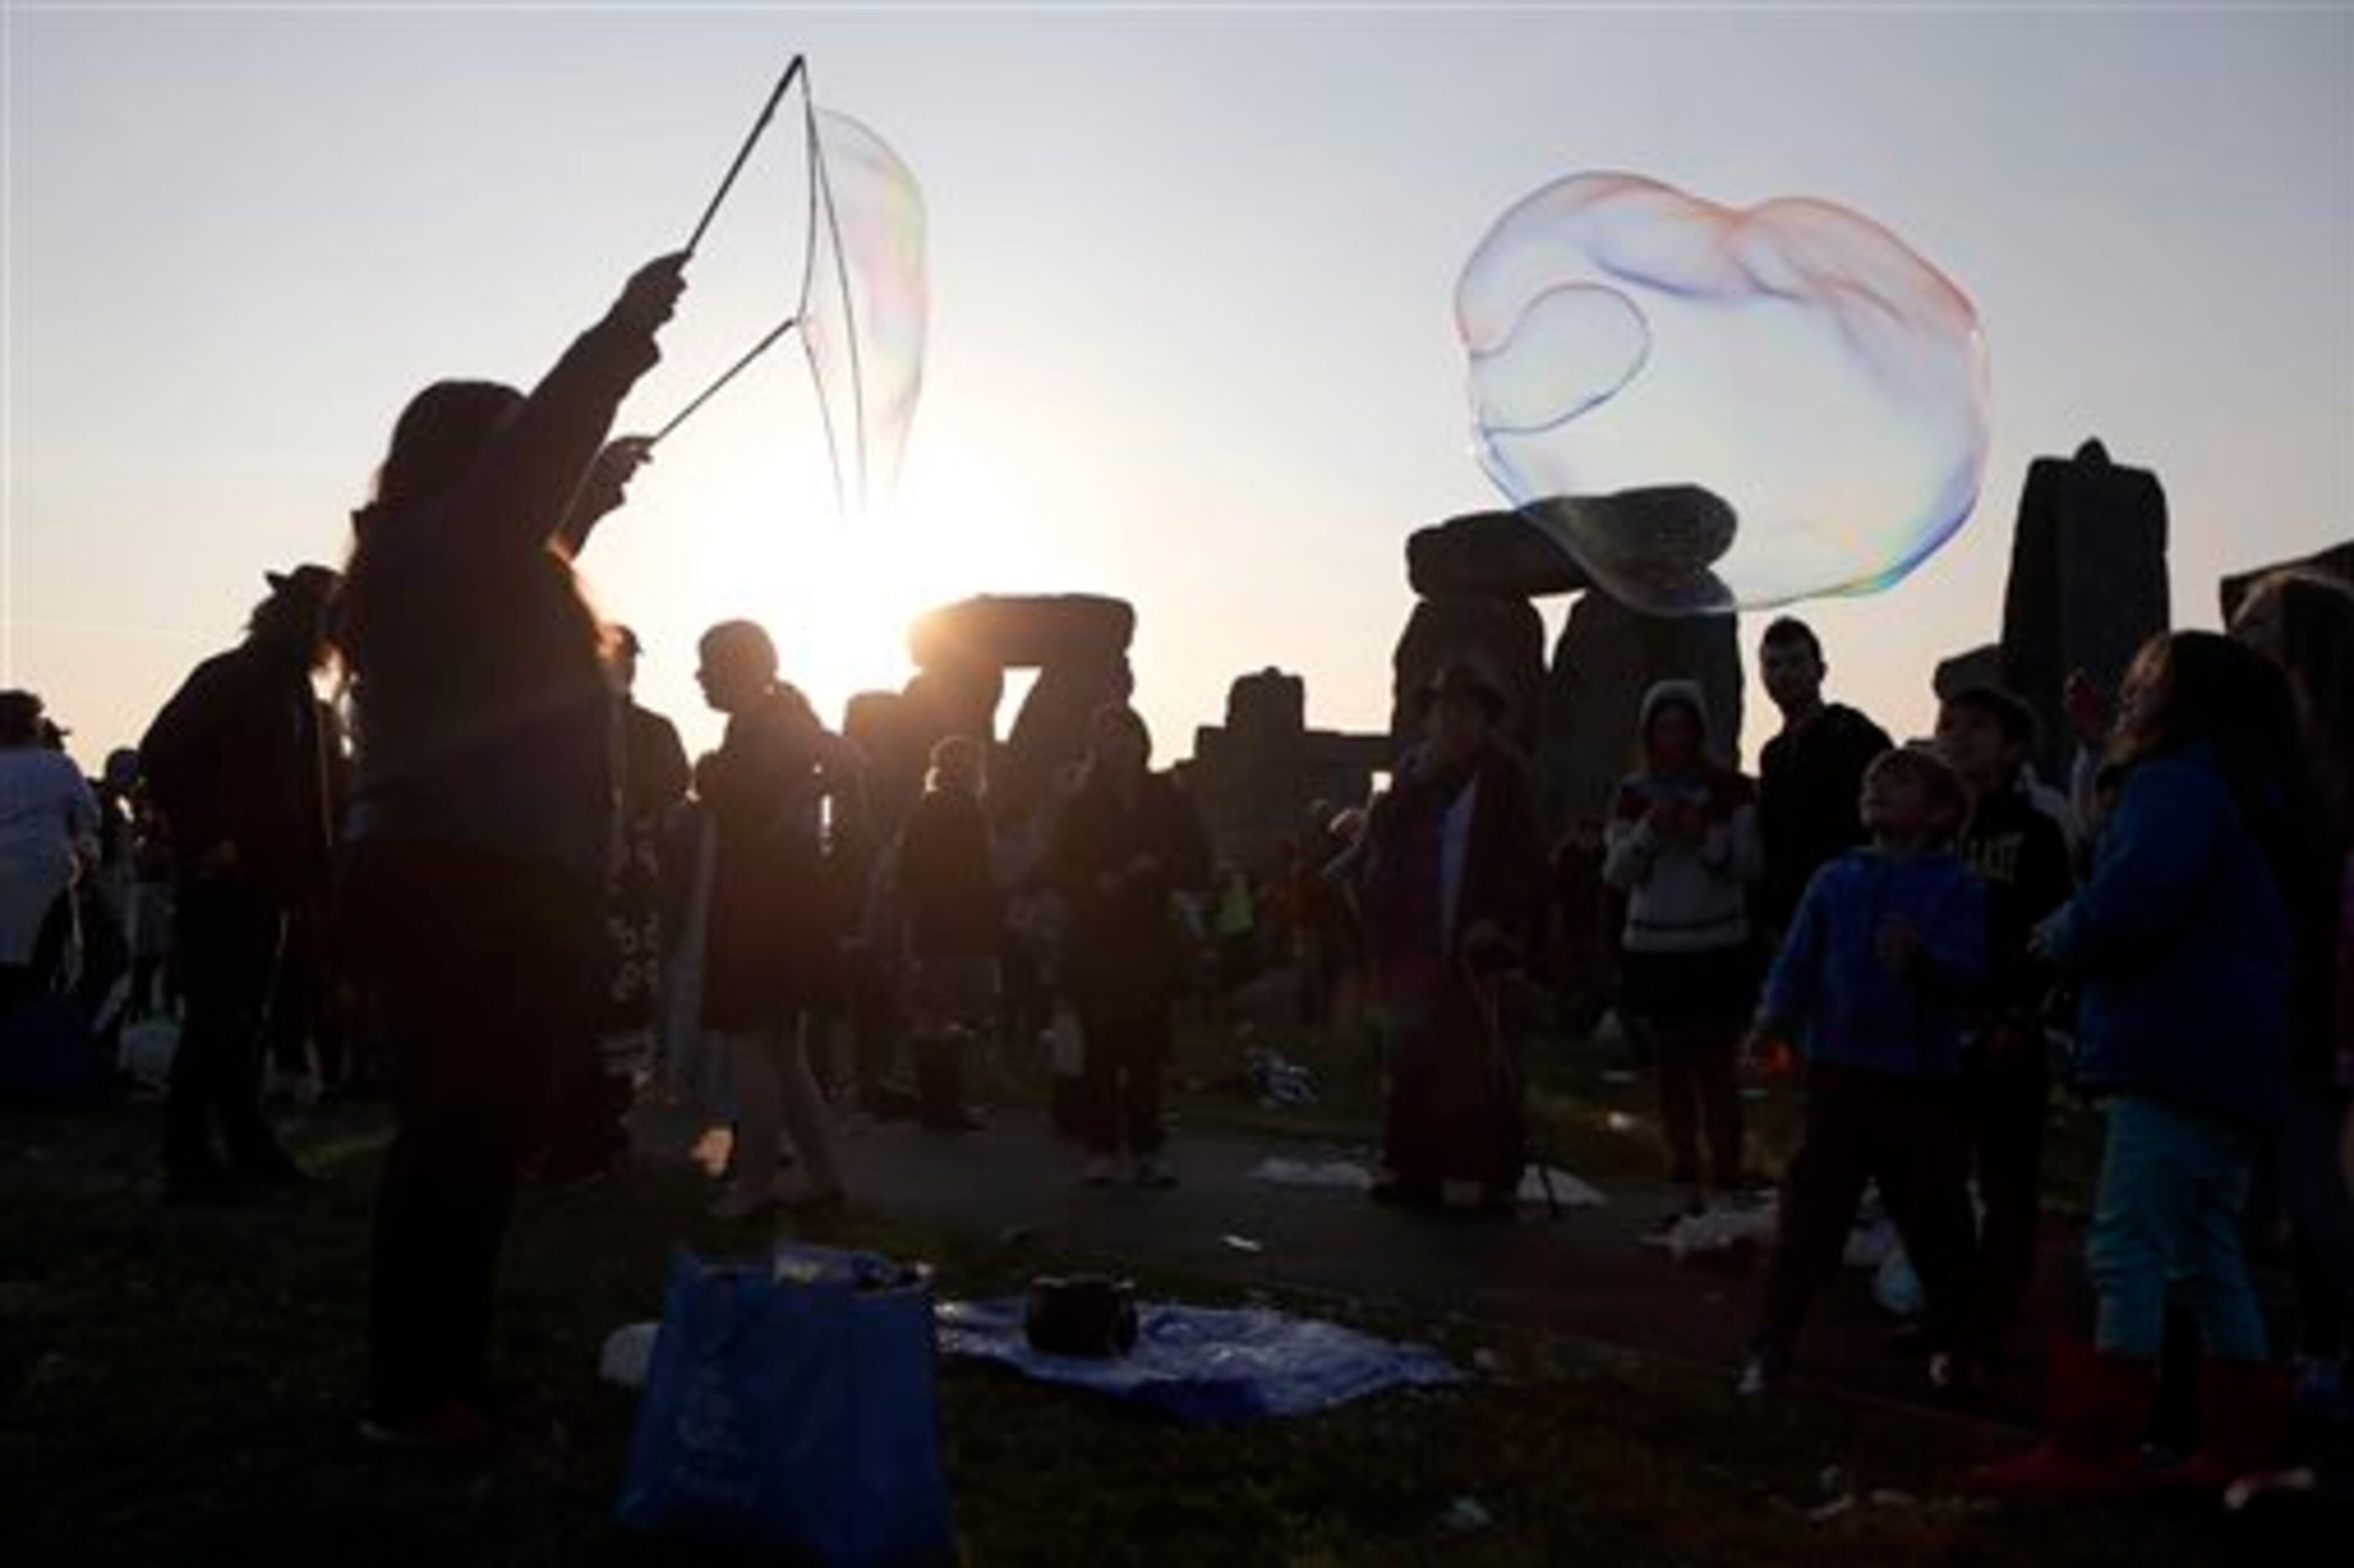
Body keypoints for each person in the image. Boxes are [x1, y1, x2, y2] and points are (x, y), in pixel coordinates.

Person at [335, 249, 687, 1453]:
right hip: (469, 880)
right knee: (459, 1139)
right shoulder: (452, 547)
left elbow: (534, 513)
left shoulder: (434, 556)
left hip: (465, 873)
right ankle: (417, 1390)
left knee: (473, 1136)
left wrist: (602, 490)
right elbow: (530, 477)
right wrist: (627, 330)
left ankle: (441, 1378)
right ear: (476, 464)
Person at [1976, 631, 2308, 1497]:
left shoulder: (2175, 786)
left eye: (2145, 684)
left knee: (2124, 1245)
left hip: (2169, 1050)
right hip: (2231, 1062)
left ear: (2190, 700)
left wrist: (2058, 935)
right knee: (2206, 1252)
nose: (2128, 694)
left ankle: (2095, 1445)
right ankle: (2239, 1449)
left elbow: (2131, 902)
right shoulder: (2253, 791)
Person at [1740, 746, 1989, 1399]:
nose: (1878, 787)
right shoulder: (1834, 880)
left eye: (1899, 781)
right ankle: (1773, 1342)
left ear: (1940, 811)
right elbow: (1797, 961)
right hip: (1839, 1074)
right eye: (1873, 780)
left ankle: (1956, 1339)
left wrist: (1925, 961)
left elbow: (1972, 974)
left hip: (1920, 1081)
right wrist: (1773, 1022)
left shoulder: (1959, 886)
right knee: (1811, 1217)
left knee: (1935, 1219)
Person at [139, 565, 341, 1198]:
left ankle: (242, 1144)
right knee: (217, 1017)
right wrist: (207, 837)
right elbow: (160, 752)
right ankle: (190, 1155)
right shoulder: (231, 676)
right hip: (226, 873)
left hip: (273, 877)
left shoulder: (296, 695)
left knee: (244, 1018)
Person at [1349, 663, 1549, 1211]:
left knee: (1476, 1060)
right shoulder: (1415, 769)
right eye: (1445, 709)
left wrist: (1498, 917)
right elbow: (1381, 833)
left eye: (1467, 710)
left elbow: (1523, 857)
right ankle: (1414, 1167)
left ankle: (1487, 1174)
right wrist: (1414, 782)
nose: (1455, 720)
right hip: (1413, 938)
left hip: (1473, 935)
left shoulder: (1505, 774)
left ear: (1486, 718)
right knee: (1413, 1057)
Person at [2230, 571, 2354, 1429]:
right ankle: (2320, 1353)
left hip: (2335, 1005)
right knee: (2306, 1195)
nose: (2244, 639)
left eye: (2263, 623)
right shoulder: (2266, 758)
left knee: (2329, 1194)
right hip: (2295, 1006)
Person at [694, 619, 854, 1220]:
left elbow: (844, 759)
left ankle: (756, 1182)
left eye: (708, 664)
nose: (700, 677)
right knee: (782, 1050)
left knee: (753, 1043)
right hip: (778, 903)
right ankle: (825, 1177)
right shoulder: (769, 719)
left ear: (741, 666)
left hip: (765, 907)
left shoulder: (773, 721)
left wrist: (799, 803)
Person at [1934, 685, 2076, 1360]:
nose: (1956, 735)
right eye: (1948, 723)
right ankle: (1950, 1306)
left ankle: (1994, 1316)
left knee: (2006, 1178)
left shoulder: (2036, 830)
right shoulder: (1930, 830)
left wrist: (2022, 1015)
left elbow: (2051, 933)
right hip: (1934, 1027)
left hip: (2004, 1025)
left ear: (2014, 745)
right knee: (1935, 1175)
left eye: (1977, 726)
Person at [1603, 680, 1764, 1224]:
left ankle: (1726, 1166)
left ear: (1700, 730)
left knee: (1716, 1065)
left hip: (1718, 942)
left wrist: (1703, 837)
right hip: (1655, 943)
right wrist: (1651, 831)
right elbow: (1616, 872)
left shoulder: (1733, 791)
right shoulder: (1633, 792)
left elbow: (1750, 865)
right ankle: (1682, 1164)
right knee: (1671, 1064)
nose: (1674, 737)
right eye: (1663, 727)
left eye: (1683, 726)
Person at [541, 625, 691, 1181]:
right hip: (580, 887)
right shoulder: (567, 729)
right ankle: (577, 1130)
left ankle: (603, 1126)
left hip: (628, 890)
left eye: (629, 658)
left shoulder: (650, 729)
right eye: (616, 657)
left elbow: (675, 794)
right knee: (581, 1009)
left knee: (617, 1009)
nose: (624, 667)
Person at [1048, 703, 1211, 1187]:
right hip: (1097, 935)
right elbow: (1060, 867)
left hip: (1147, 936)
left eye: (1123, 736)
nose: (1116, 747)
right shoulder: (1082, 803)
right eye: (1104, 738)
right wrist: (1095, 882)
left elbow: (1200, 860)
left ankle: (1146, 1146)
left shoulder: (1169, 796)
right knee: (1100, 1049)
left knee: (1146, 1050)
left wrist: (1157, 864)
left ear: (1141, 739)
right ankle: (1100, 1147)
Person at [1754, 617, 1894, 940]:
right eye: (1773, 665)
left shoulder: (1855, 733)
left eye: (1795, 662)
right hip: (1789, 917)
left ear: (1821, 670)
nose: (1784, 674)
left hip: (1852, 909)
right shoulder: (1772, 754)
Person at [896, 736, 1001, 1132]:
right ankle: (947, 1105)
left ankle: (934, 1104)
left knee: (932, 1017)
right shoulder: (968, 810)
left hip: (930, 924)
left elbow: (908, 869)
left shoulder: (923, 810)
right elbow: (980, 873)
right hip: (961, 925)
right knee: (952, 1017)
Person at [0, 691, 99, 1019]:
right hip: (49, 879)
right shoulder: (59, 767)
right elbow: (89, 818)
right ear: (34, 727)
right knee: (42, 974)